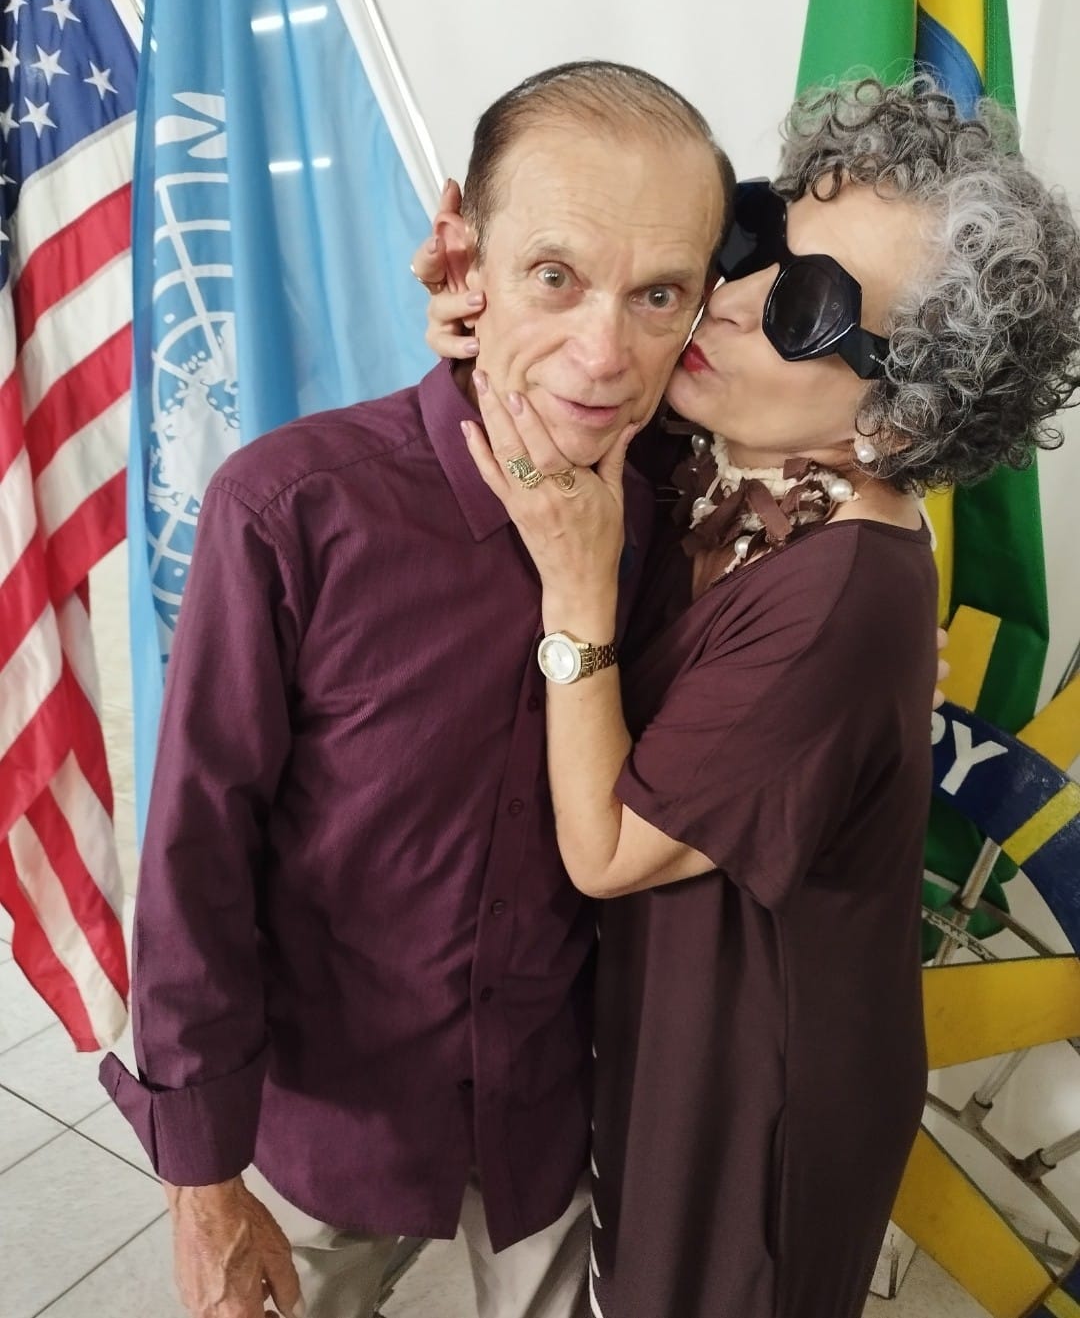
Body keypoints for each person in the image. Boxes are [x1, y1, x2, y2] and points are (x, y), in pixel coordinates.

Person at [420, 78, 1080, 1317]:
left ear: (898, 415)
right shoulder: (731, 463)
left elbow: (606, 849)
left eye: (804, 305)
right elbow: (556, 395)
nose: (724, 296)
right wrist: (498, 313)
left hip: (751, 1082)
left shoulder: (842, 592)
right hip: (670, 1010)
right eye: (759, 237)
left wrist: (577, 597)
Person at [98, 60, 730, 1318]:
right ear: (463, 257)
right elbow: (195, 858)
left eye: (658, 294)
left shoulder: (683, 515)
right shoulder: (291, 510)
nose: (604, 353)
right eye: (554, 275)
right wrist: (202, 1182)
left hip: (552, 1107)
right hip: (329, 1122)